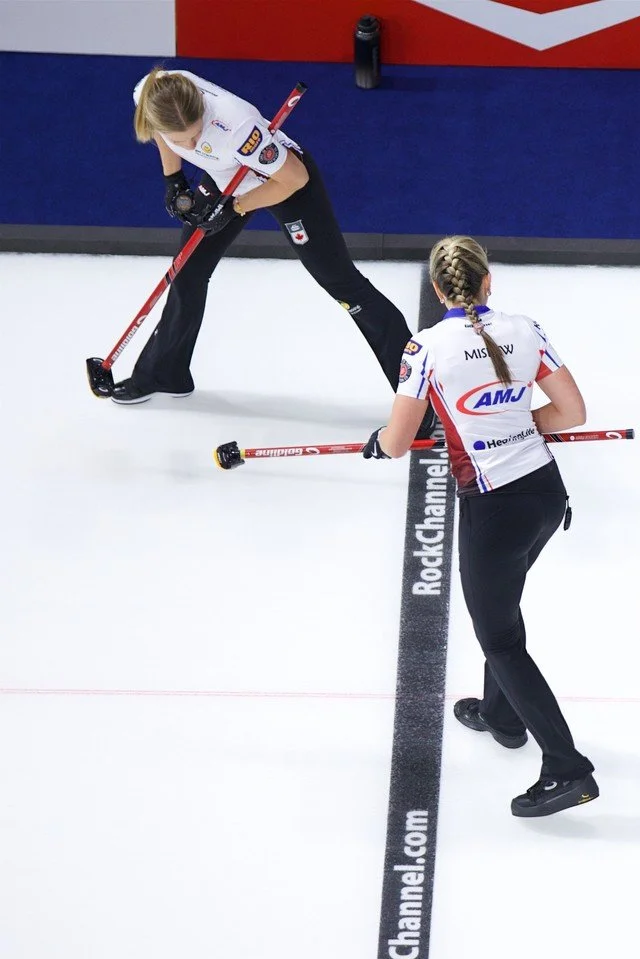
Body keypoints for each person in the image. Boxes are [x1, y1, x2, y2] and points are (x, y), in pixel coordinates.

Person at [362, 235, 597, 817]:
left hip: (493, 509)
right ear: (488, 281)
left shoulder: (425, 348)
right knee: (504, 607)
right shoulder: (527, 329)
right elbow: (571, 413)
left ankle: (568, 768)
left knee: (500, 640)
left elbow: (397, 442)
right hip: (545, 494)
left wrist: (380, 442)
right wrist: (515, 426)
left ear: (438, 290)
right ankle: (502, 715)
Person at [119, 66, 424, 423]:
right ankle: (165, 373)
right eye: (180, 139)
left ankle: (419, 402)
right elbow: (162, 134)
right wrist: (174, 180)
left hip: (280, 184)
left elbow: (294, 178)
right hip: (226, 177)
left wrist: (235, 208)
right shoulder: (150, 95)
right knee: (187, 271)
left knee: (344, 286)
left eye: (196, 134)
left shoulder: (238, 127)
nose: (190, 145)